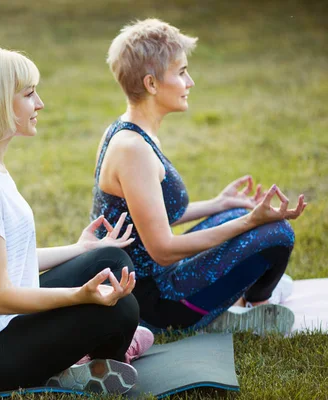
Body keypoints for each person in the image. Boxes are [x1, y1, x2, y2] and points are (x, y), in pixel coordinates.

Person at [0, 46, 145, 394]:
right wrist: (79, 296)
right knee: (119, 310)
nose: (40, 103)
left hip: (1, 326)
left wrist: (80, 248)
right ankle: (90, 363)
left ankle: (88, 356)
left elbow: (5, 261)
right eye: (29, 94)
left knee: (109, 260)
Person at [90, 19, 306, 335]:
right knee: (277, 232)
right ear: (151, 84)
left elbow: (147, 217)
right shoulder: (133, 150)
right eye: (181, 72)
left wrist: (219, 204)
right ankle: (258, 303)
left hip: (152, 282)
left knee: (236, 212)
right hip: (155, 304)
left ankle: (246, 296)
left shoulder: (127, 132)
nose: (190, 81)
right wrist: (249, 223)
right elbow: (162, 248)